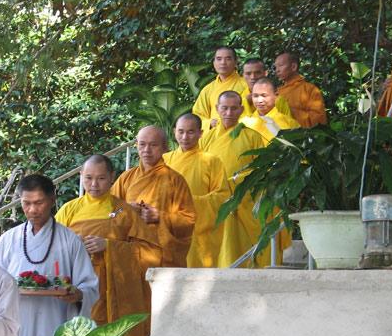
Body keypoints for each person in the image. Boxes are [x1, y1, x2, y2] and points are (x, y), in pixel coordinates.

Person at [56, 154, 160, 336]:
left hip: (112, 289)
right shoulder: (69, 210)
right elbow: (54, 248)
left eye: (101, 178)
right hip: (76, 286)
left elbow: (151, 252)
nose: (94, 184)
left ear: (112, 177)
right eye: (88, 178)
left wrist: (110, 246)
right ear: (81, 175)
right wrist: (74, 247)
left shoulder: (124, 211)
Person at [0, 174, 99, 336]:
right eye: (26, 203)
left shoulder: (70, 240)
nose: (32, 210)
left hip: (55, 319)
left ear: (52, 200)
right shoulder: (8, 240)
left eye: (39, 203)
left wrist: (77, 295)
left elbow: (90, 287)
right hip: (17, 323)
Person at [201, 91, 273, 268]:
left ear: (241, 110)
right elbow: (200, 168)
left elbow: (261, 170)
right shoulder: (207, 138)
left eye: (234, 108)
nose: (229, 113)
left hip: (242, 198)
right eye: (224, 108)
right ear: (217, 108)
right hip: (214, 199)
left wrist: (235, 184)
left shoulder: (252, 136)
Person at [111, 125, 196, 267]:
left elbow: (188, 221)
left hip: (162, 257)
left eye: (153, 145)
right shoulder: (126, 178)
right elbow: (108, 212)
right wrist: (126, 209)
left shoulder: (175, 180)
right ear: (136, 145)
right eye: (142, 144)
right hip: (129, 253)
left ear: (165, 148)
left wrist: (160, 216)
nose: (146, 150)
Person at [162, 113, 231, 267]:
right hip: (168, 227)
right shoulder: (164, 160)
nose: (185, 137)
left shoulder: (211, 161)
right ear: (174, 132)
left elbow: (222, 197)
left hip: (199, 232)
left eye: (190, 132)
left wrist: (190, 202)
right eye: (181, 131)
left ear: (200, 133)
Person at [192, 46, 248, 132]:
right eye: (219, 59)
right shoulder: (208, 89)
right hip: (213, 135)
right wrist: (209, 123)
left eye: (228, 59)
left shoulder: (245, 85)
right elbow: (197, 116)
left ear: (235, 62)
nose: (223, 62)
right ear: (214, 62)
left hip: (238, 133)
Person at [273, 51, 327, 127]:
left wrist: (288, 111)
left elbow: (319, 120)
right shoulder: (278, 92)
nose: (277, 70)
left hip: (301, 133)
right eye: (276, 67)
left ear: (293, 67)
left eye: (280, 65)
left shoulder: (309, 89)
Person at [240, 77, 302, 143]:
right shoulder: (245, 123)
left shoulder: (288, 122)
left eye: (264, 96)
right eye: (255, 96)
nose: (259, 100)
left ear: (276, 95)